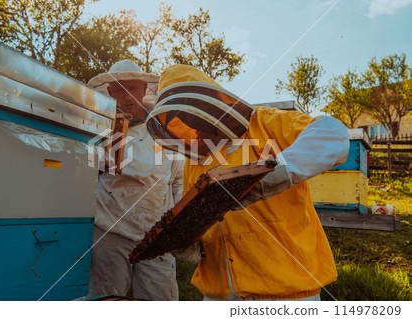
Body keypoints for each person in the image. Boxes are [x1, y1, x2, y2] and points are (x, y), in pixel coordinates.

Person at [145, 64, 350, 300]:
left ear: (208, 104)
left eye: (193, 119)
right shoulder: (196, 160)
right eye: (182, 126)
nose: (193, 131)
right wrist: (192, 243)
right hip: (219, 295)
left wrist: (274, 175)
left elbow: (333, 134)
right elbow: (202, 216)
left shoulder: (265, 122)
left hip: (286, 293)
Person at [87, 60, 183, 300]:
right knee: (106, 301)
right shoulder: (99, 127)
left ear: (144, 89)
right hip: (110, 232)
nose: (127, 96)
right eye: (119, 89)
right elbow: (85, 176)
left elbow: (177, 181)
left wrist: (180, 224)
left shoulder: (164, 129)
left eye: (133, 88)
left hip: (157, 235)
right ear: (109, 92)